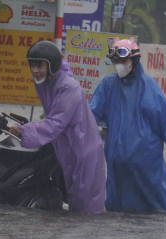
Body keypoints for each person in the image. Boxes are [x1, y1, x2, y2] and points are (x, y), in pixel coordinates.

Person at [89, 37, 166, 214]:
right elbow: (90, 114)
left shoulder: (147, 84)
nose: (119, 65)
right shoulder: (109, 84)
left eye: (123, 61)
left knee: (158, 201)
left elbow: (165, 117)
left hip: (145, 159)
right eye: (116, 61)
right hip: (116, 160)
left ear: (134, 60)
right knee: (117, 204)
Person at [9, 40, 106, 213]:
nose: (34, 70)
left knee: (87, 210)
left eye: (40, 65)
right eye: (32, 65)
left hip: (83, 149)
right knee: (75, 204)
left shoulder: (69, 87)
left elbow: (55, 123)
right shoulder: (45, 82)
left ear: (52, 65)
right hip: (66, 147)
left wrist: (25, 130)